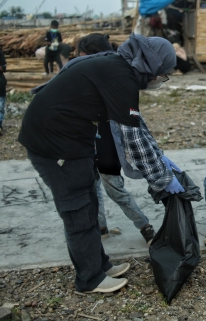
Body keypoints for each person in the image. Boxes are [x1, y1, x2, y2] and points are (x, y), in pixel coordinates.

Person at [18, 33, 184, 293]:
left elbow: (136, 125)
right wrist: (162, 179)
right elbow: (132, 142)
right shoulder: (121, 77)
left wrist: (160, 156)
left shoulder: (117, 65)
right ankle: (89, 279)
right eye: (162, 74)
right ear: (151, 67)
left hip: (74, 140)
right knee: (77, 209)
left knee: (90, 201)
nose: (160, 80)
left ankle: (100, 265)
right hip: (53, 145)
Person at [75, 33, 156, 245]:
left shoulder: (108, 74)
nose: (78, 61)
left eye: (82, 56)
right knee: (91, 188)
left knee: (115, 189)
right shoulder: (88, 74)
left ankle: (145, 227)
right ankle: (101, 227)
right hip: (86, 139)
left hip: (105, 140)